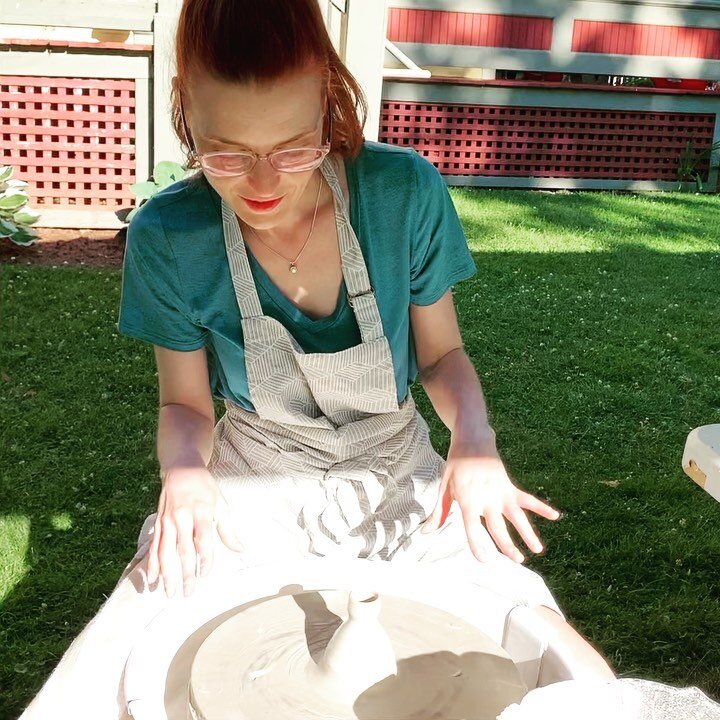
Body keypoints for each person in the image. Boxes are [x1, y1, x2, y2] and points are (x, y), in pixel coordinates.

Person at [19, 1, 614, 717]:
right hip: (251, 477)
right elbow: (184, 404)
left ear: (329, 105)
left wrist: (476, 443)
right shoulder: (168, 234)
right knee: (119, 653)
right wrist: (183, 476)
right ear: (186, 116)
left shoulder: (402, 193)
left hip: (398, 466)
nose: (263, 183)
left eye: (295, 148)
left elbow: (442, 354)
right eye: (227, 154)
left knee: (553, 652)